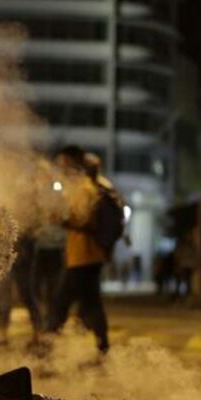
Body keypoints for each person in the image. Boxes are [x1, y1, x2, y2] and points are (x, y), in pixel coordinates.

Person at [45, 146, 120, 355]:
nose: (62, 168)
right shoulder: (87, 186)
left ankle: (47, 348)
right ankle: (102, 346)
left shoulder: (85, 188)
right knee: (91, 302)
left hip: (83, 255)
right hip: (87, 256)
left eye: (65, 164)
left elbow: (84, 220)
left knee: (61, 303)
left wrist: (61, 220)